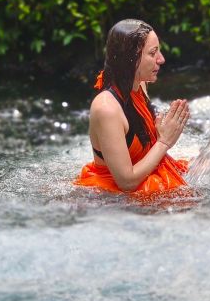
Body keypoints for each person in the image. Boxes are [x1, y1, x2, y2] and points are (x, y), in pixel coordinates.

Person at [75, 19, 191, 199]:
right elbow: (126, 183)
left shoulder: (139, 84)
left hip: (146, 178)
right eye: (153, 53)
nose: (161, 59)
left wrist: (158, 133)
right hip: (113, 198)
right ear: (132, 59)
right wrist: (164, 142)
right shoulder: (107, 109)